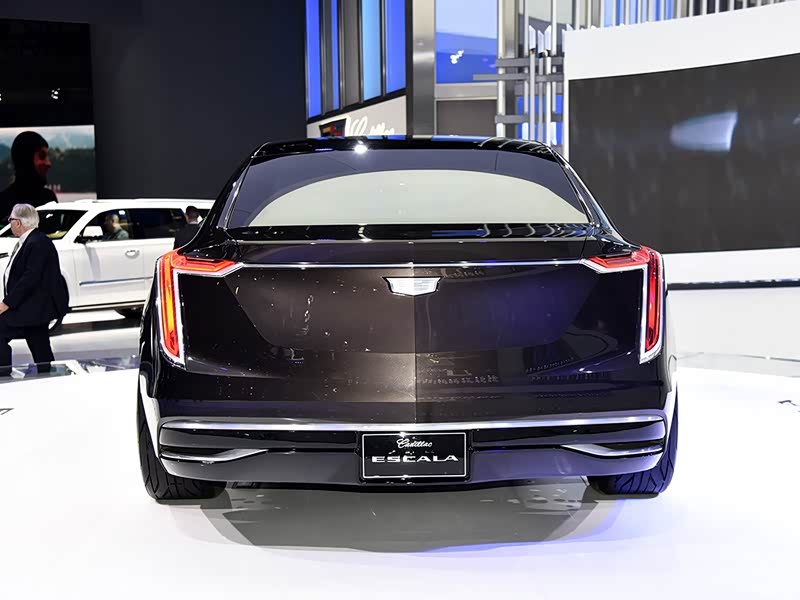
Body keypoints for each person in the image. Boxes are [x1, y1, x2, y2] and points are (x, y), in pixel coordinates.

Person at [0, 204, 69, 377]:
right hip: (31, 307)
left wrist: (7, 303)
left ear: (18, 222)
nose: (9, 223)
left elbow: (30, 278)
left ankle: (3, 373)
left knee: (35, 343)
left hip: (33, 308)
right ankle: (48, 375)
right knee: (40, 346)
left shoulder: (37, 243)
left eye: (11, 220)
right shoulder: (32, 240)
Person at [0, 132, 58, 224]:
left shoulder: (49, 199)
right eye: (42, 156)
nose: (48, 163)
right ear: (26, 160)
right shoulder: (2, 203)